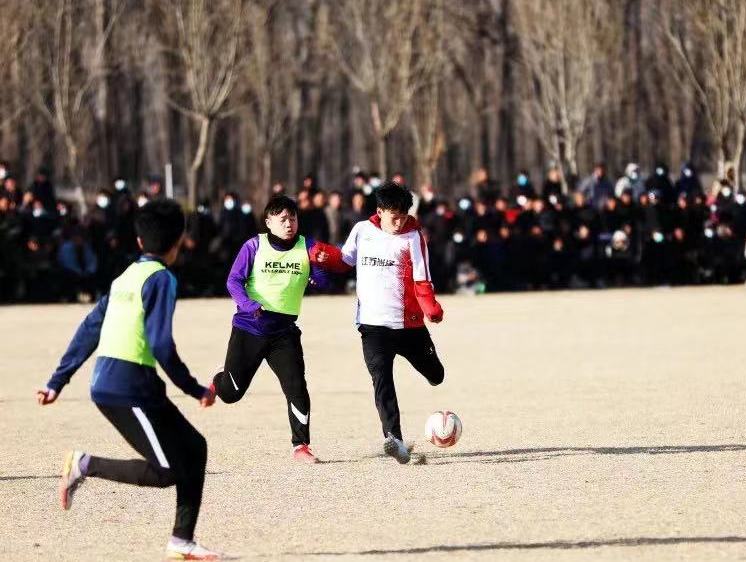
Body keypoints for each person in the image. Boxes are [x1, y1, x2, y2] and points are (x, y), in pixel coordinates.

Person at [35, 200, 220, 560]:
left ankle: (182, 541)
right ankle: (84, 464)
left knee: (195, 448)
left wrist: (57, 381)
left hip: (124, 383)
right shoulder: (162, 278)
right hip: (128, 386)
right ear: (178, 242)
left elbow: (90, 327)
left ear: (139, 241)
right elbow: (161, 344)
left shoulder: (125, 277)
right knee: (167, 469)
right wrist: (194, 388)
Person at [210, 195, 337, 463]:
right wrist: (248, 304)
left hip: (284, 333)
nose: (289, 224)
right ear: (268, 222)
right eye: (283, 219)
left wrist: (319, 268)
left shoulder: (307, 246)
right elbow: (233, 281)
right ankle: (218, 379)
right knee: (231, 394)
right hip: (250, 328)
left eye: (293, 218)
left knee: (296, 386)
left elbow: (324, 283)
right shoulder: (254, 245)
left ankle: (301, 446)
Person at [332, 181, 446, 464]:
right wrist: (322, 256)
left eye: (404, 216)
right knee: (382, 380)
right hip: (372, 326)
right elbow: (344, 260)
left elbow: (423, 278)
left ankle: (431, 373)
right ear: (380, 211)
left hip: (409, 326)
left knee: (436, 375)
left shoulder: (413, 237)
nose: (399, 222)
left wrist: (430, 308)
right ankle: (395, 439)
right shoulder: (362, 230)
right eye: (394, 216)